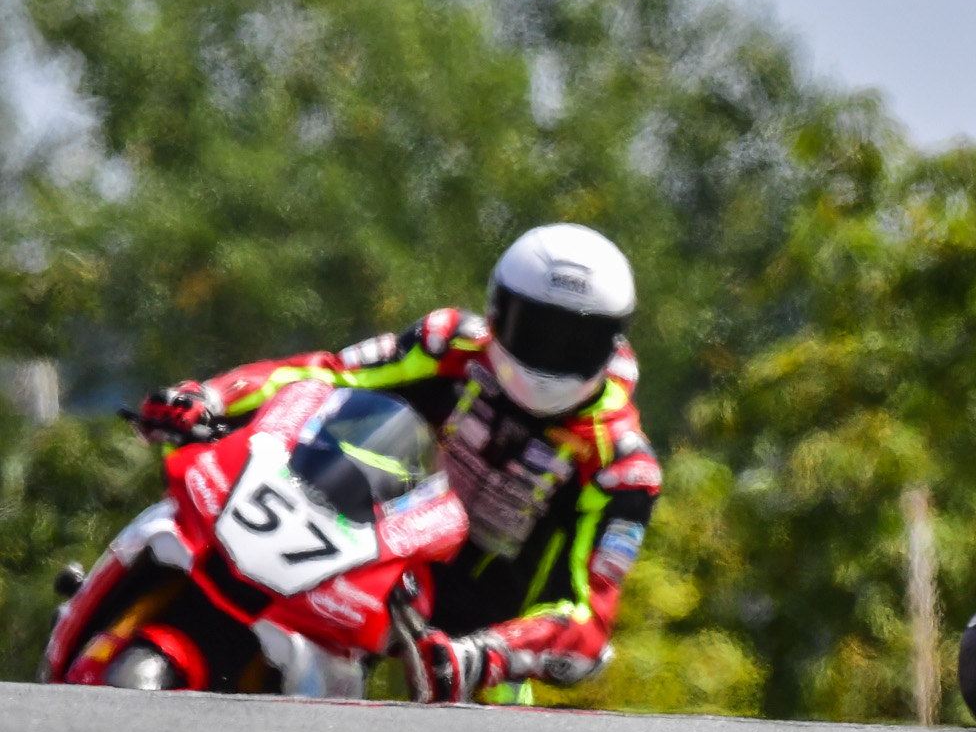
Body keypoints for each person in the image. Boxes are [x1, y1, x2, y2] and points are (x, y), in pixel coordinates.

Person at [134, 223, 662, 703]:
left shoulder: (622, 464)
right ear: (498, 312)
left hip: (481, 641)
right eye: (536, 330)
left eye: (577, 343)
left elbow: (591, 619)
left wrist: (492, 652)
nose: (551, 358)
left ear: (612, 342)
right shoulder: (446, 343)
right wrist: (210, 397)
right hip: (366, 554)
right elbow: (326, 375)